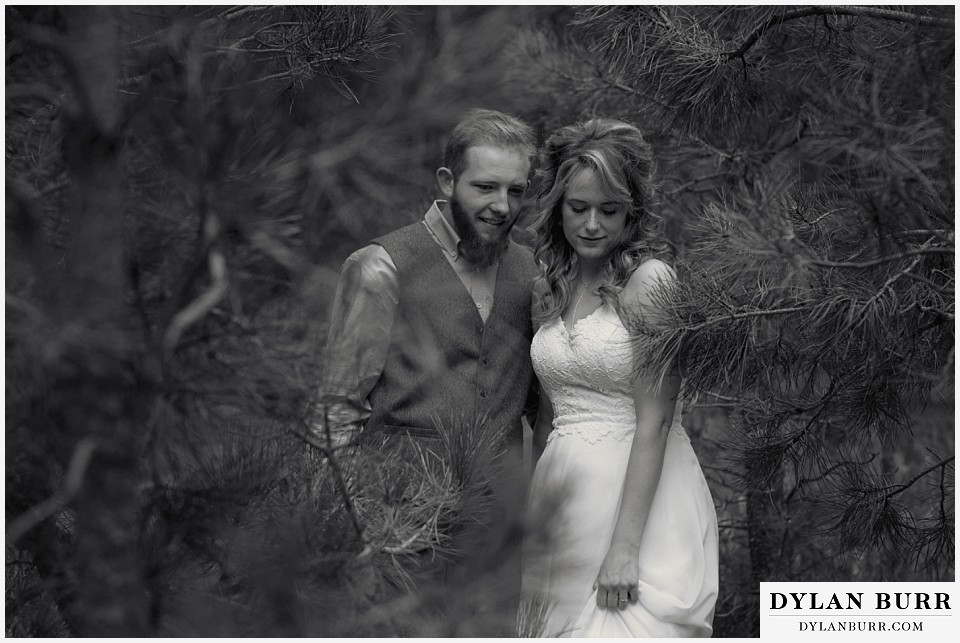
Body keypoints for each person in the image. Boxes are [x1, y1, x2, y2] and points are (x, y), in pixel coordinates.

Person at [316, 108, 539, 581]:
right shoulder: (380, 267)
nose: (502, 205)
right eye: (485, 187)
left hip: (498, 537)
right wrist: (354, 523)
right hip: (399, 525)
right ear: (446, 181)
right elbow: (337, 406)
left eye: (515, 191)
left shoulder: (533, 273)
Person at [519, 118, 719, 637]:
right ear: (557, 206)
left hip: (639, 506)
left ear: (633, 211)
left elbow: (656, 422)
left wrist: (624, 550)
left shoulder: (649, 282)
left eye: (609, 210)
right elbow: (547, 417)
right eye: (577, 208)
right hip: (560, 503)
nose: (592, 224)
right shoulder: (548, 288)